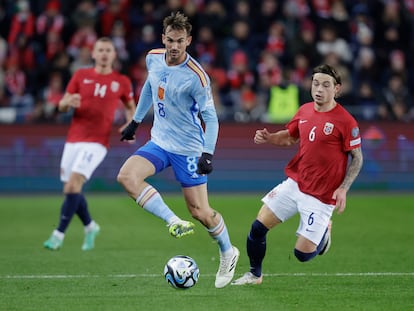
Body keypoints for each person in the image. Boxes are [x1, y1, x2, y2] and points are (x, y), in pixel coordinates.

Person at [117, 12, 239, 289]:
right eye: (170, 40)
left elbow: (211, 118)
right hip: (159, 142)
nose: (174, 46)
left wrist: (208, 153)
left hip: (188, 149)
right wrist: (136, 121)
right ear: (163, 38)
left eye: (180, 41)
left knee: (201, 212)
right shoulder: (153, 58)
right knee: (127, 177)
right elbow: (149, 85)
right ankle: (173, 221)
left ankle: (228, 251)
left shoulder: (197, 77)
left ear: (189, 41)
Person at [231, 64, 363, 285]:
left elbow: (357, 157)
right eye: (315, 83)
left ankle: (323, 233)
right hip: (296, 183)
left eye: (326, 85)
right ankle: (255, 275)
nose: (319, 89)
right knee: (257, 228)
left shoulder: (346, 121)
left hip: (322, 196)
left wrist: (343, 188)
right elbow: (291, 137)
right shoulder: (304, 110)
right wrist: (269, 137)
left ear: (337, 89)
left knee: (302, 255)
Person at [43, 37, 136, 251]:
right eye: (100, 50)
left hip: (97, 142)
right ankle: (90, 226)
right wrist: (67, 102)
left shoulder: (121, 81)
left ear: (114, 55)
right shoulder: (80, 76)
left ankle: (58, 235)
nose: (104, 54)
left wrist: (131, 124)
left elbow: (131, 107)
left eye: (108, 50)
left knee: (73, 184)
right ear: (93, 54)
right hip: (74, 138)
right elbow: (62, 106)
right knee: (70, 188)